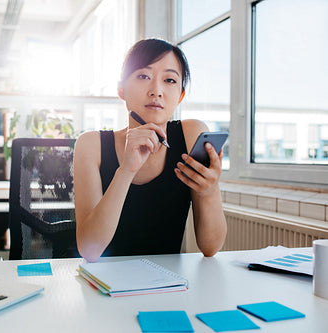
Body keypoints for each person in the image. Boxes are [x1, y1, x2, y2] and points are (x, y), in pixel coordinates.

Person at [73, 38, 227, 263]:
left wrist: (210, 190)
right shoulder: (90, 145)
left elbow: (210, 248)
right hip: (103, 287)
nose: (156, 91)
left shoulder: (191, 134)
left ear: (180, 96)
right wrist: (126, 170)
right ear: (121, 89)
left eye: (170, 80)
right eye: (144, 76)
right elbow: (89, 249)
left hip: (170, 285)